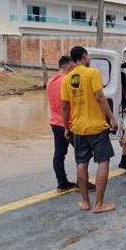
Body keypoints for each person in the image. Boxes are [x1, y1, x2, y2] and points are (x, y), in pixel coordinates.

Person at [61, 46, 118, 213]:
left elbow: (65, 107)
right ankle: (99, 204)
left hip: (78, 128)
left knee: (81, 163)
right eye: (87, 56)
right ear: (84, 56)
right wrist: (112, 118)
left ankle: (85, 202)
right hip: (97, 127)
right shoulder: (92, 73)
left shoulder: (66, 79)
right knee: (103, 162)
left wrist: (66, 128)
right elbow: (100, 97)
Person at [47, 55, 76, 192]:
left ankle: (62, 182)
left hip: (55, 123)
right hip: (69, 124)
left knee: (59, 155)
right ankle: (83, 182)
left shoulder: (50, 81)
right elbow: (67, 105)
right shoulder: (67, 81)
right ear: (70, 67)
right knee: (83, 153)